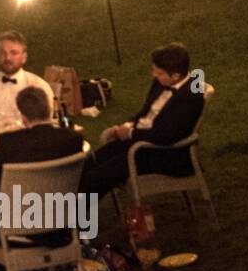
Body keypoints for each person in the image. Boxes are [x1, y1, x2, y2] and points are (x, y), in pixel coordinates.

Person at [0, 87, 86, 246]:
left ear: (22, 116)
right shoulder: (73, 139)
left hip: (15, 227)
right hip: (60, 224)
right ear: (49, 110)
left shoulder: (9, 143)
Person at [81, 43, 204, 196]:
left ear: (176, 76)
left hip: (163, 154)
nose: (154, 76)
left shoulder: (191, 97)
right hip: (140, 139)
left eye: (159, 73)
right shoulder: (162, 82)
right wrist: (126, 126)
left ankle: (73, 215)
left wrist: (131, 133)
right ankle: (68, 206)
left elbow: (167, 135)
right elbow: (146, 112)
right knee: (89, 163)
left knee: (98, 176)